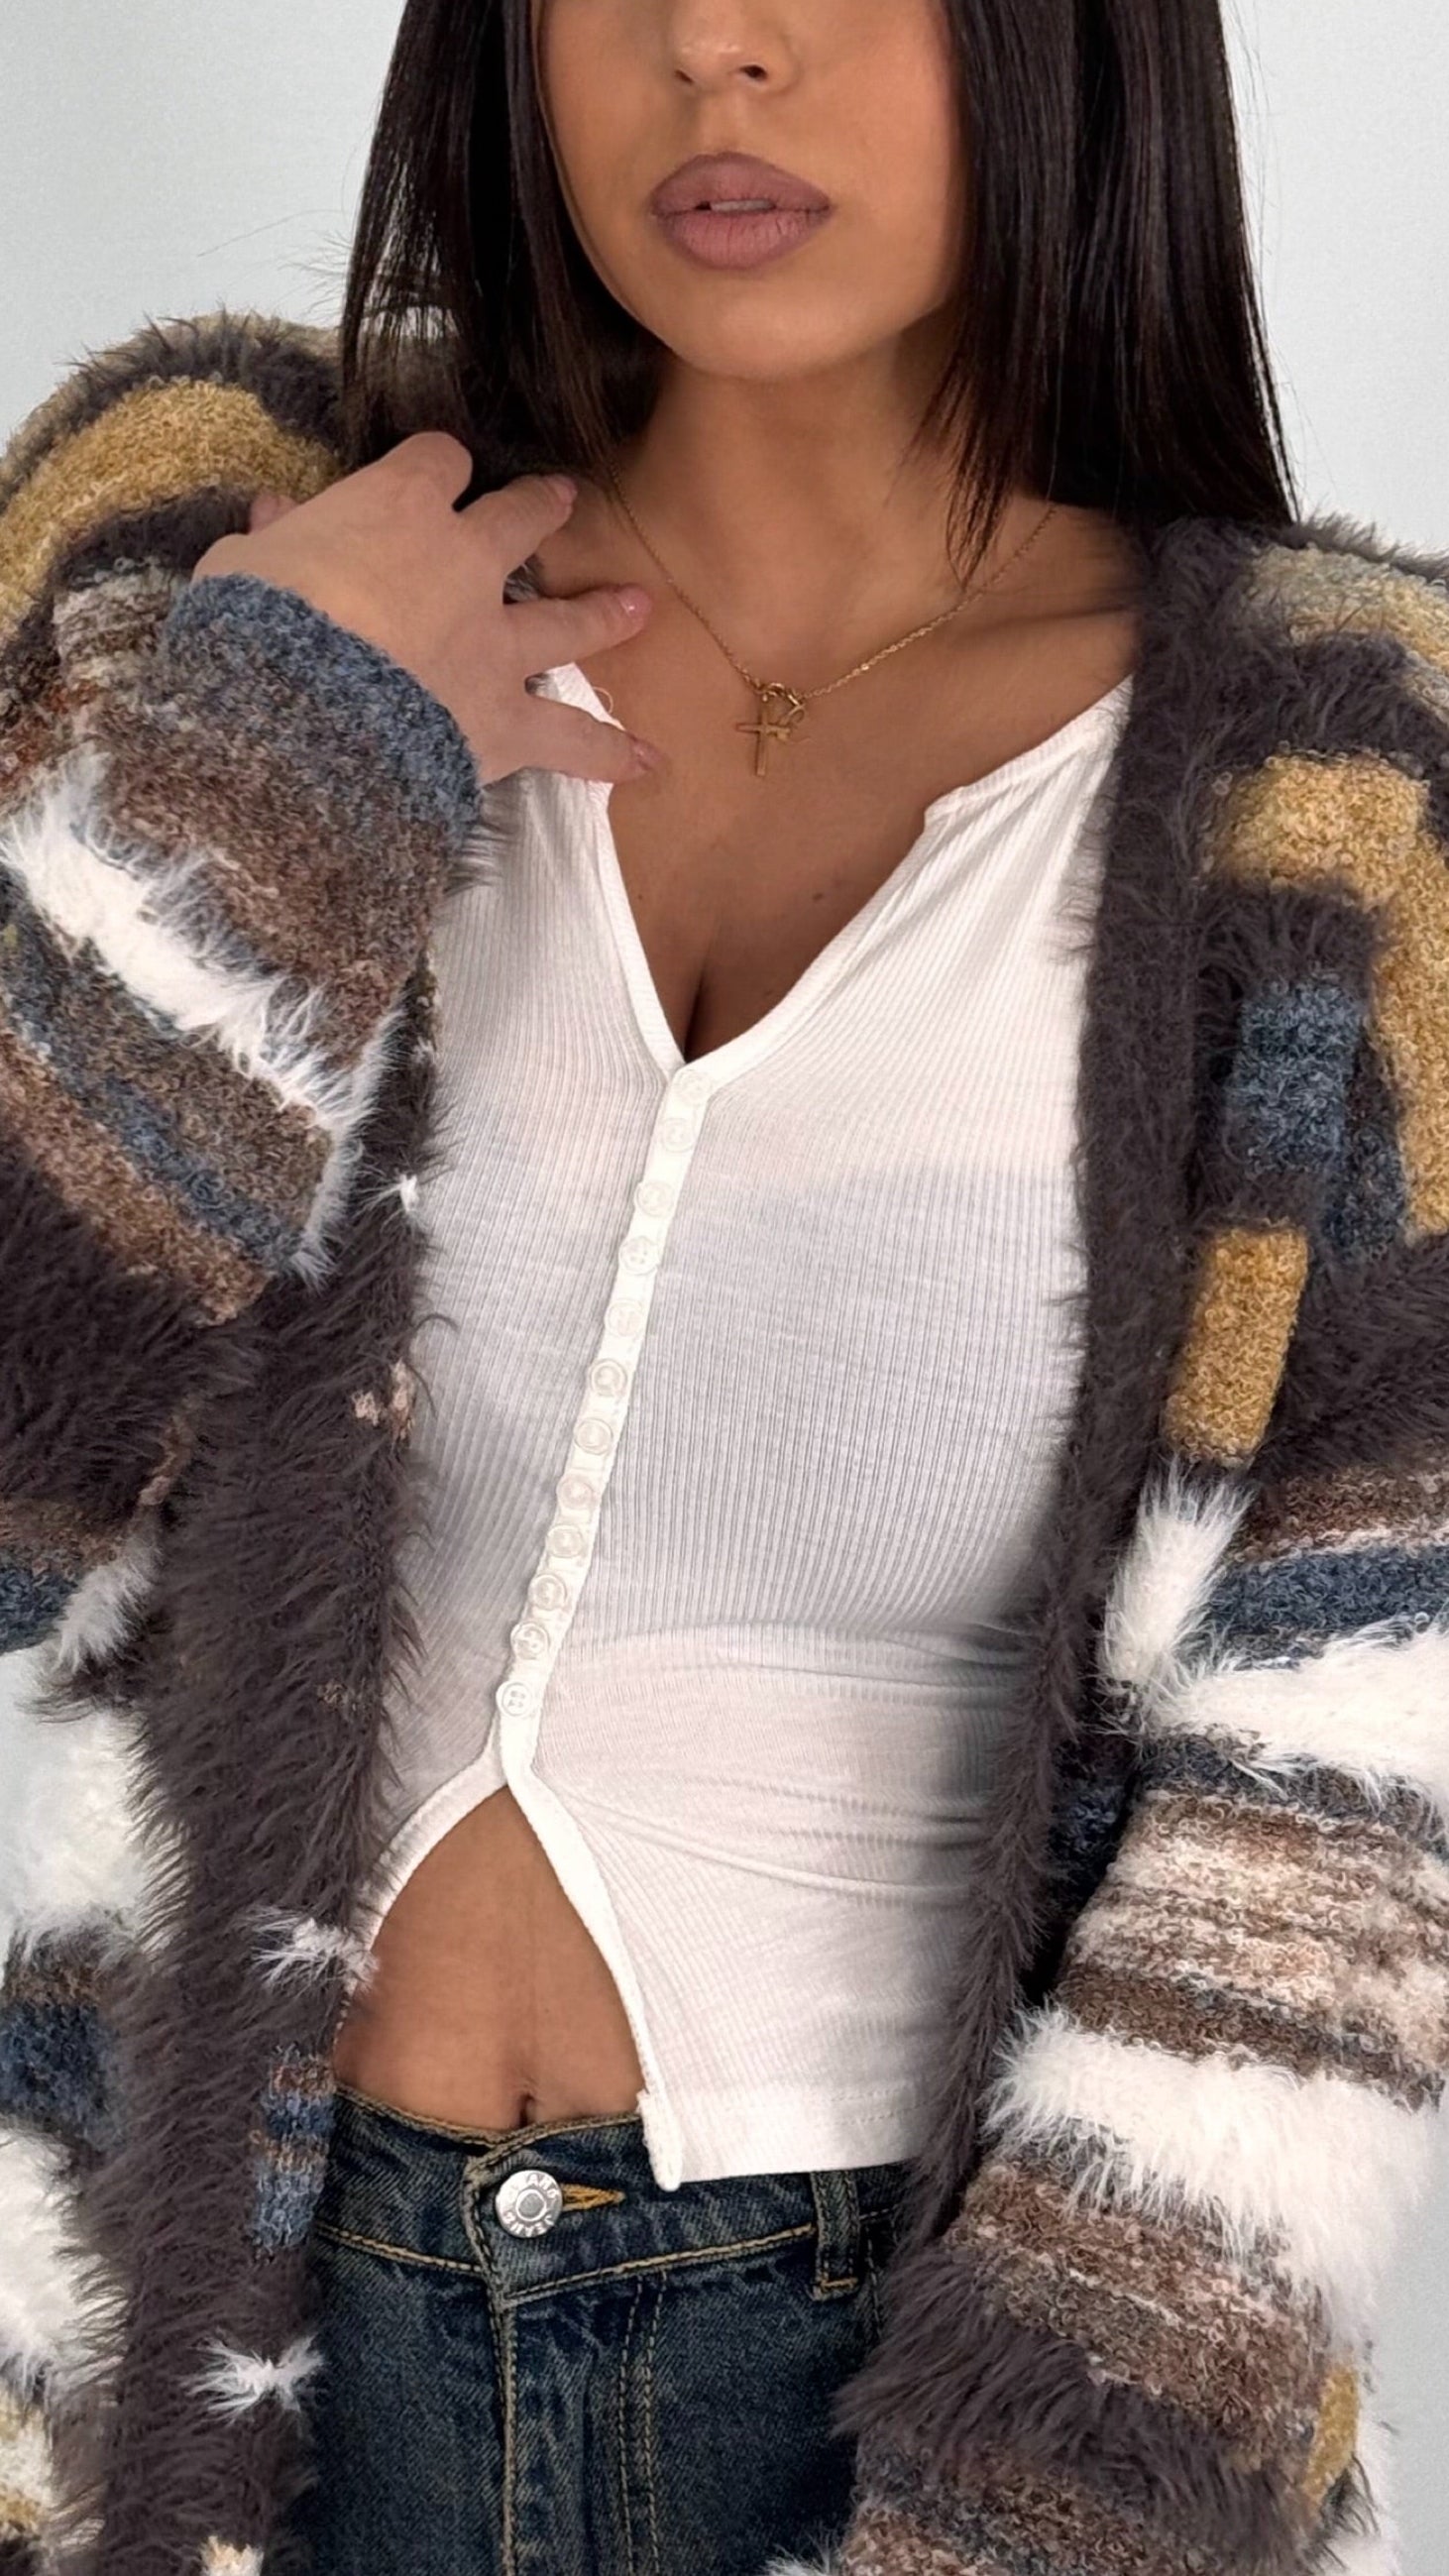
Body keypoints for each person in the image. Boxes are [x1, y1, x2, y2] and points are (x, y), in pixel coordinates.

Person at [0, 1, 1445, 2571]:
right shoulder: (208, 552)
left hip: (903, 2385)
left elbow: (1359, 1811)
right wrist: (273, 771)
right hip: (175, 2357)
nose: (715, 46)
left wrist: (1035, 2517)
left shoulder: (1354, 800)